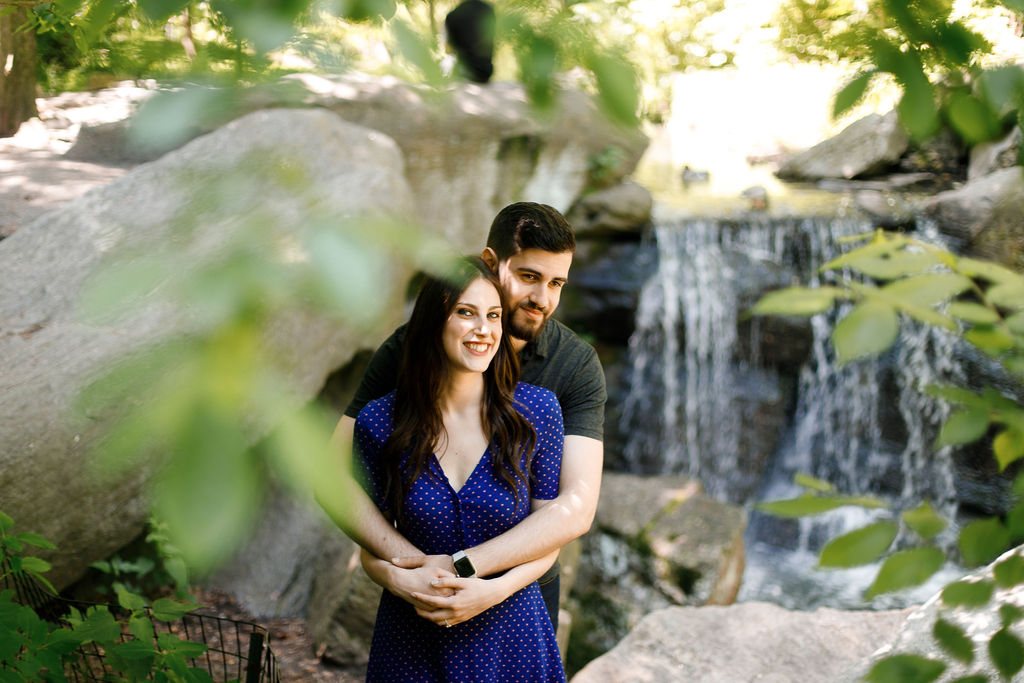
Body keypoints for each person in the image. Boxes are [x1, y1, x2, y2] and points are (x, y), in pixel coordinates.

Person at [319, 201, 605, 629]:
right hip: (422, 599)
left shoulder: (575, 367)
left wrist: (464, 569)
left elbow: (575, 508)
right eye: (529, 277)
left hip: (521, 599)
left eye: (556, 283)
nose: (542, 299)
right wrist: (414, 568)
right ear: (491, 263)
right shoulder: (409, 349)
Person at [352, 256, 566, 680]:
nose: (483, 330)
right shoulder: (379, 422)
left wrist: (491, 590)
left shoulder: (539, 413)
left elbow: (548, 538)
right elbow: (370, 548)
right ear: (434, 322)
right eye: (465, 313)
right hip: (412, 638)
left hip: (512, 638)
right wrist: (402, 582)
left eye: (493, 316)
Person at [444, 0, 495, 84]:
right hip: (485, 72)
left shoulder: (452, 15)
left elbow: (448, 50)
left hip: (463, 73)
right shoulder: (488, 10)